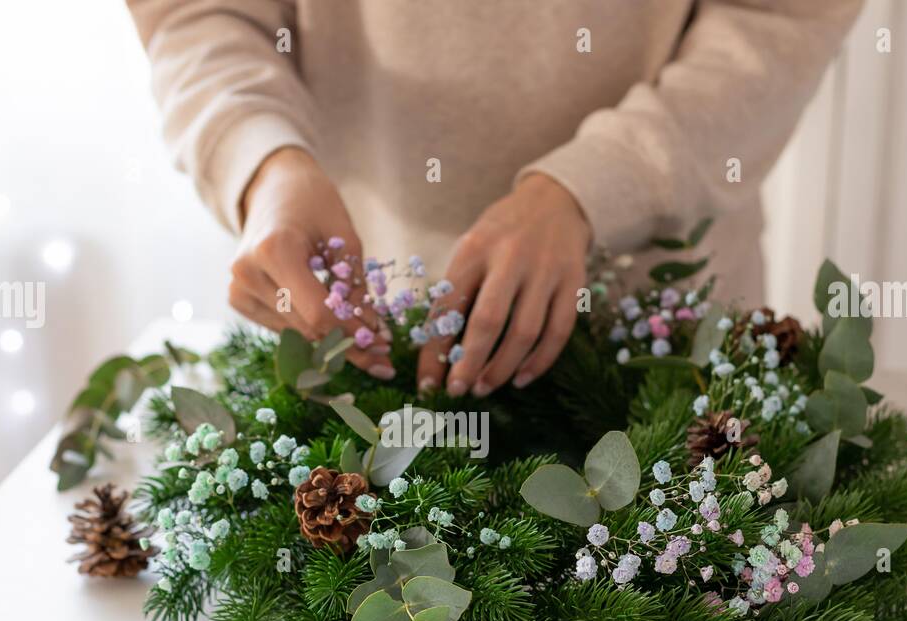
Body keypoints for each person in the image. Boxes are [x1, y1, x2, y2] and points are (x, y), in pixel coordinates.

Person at [127, 0, 862, 396]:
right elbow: (198, 12)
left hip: (671, 351)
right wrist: (264, 162)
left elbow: (781, 16)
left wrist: (595, 183)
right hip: (360, 334)